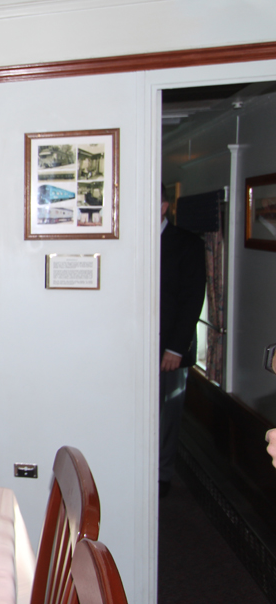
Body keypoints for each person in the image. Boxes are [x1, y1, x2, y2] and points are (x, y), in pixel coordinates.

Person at [159, 185, 206, 497]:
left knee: (167, 414)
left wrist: (176, 348)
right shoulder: (131, 241)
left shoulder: (188, 243)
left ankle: (161, 474)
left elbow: (192, 300)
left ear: (163, 206)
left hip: (171, 348)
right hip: (134, 347)